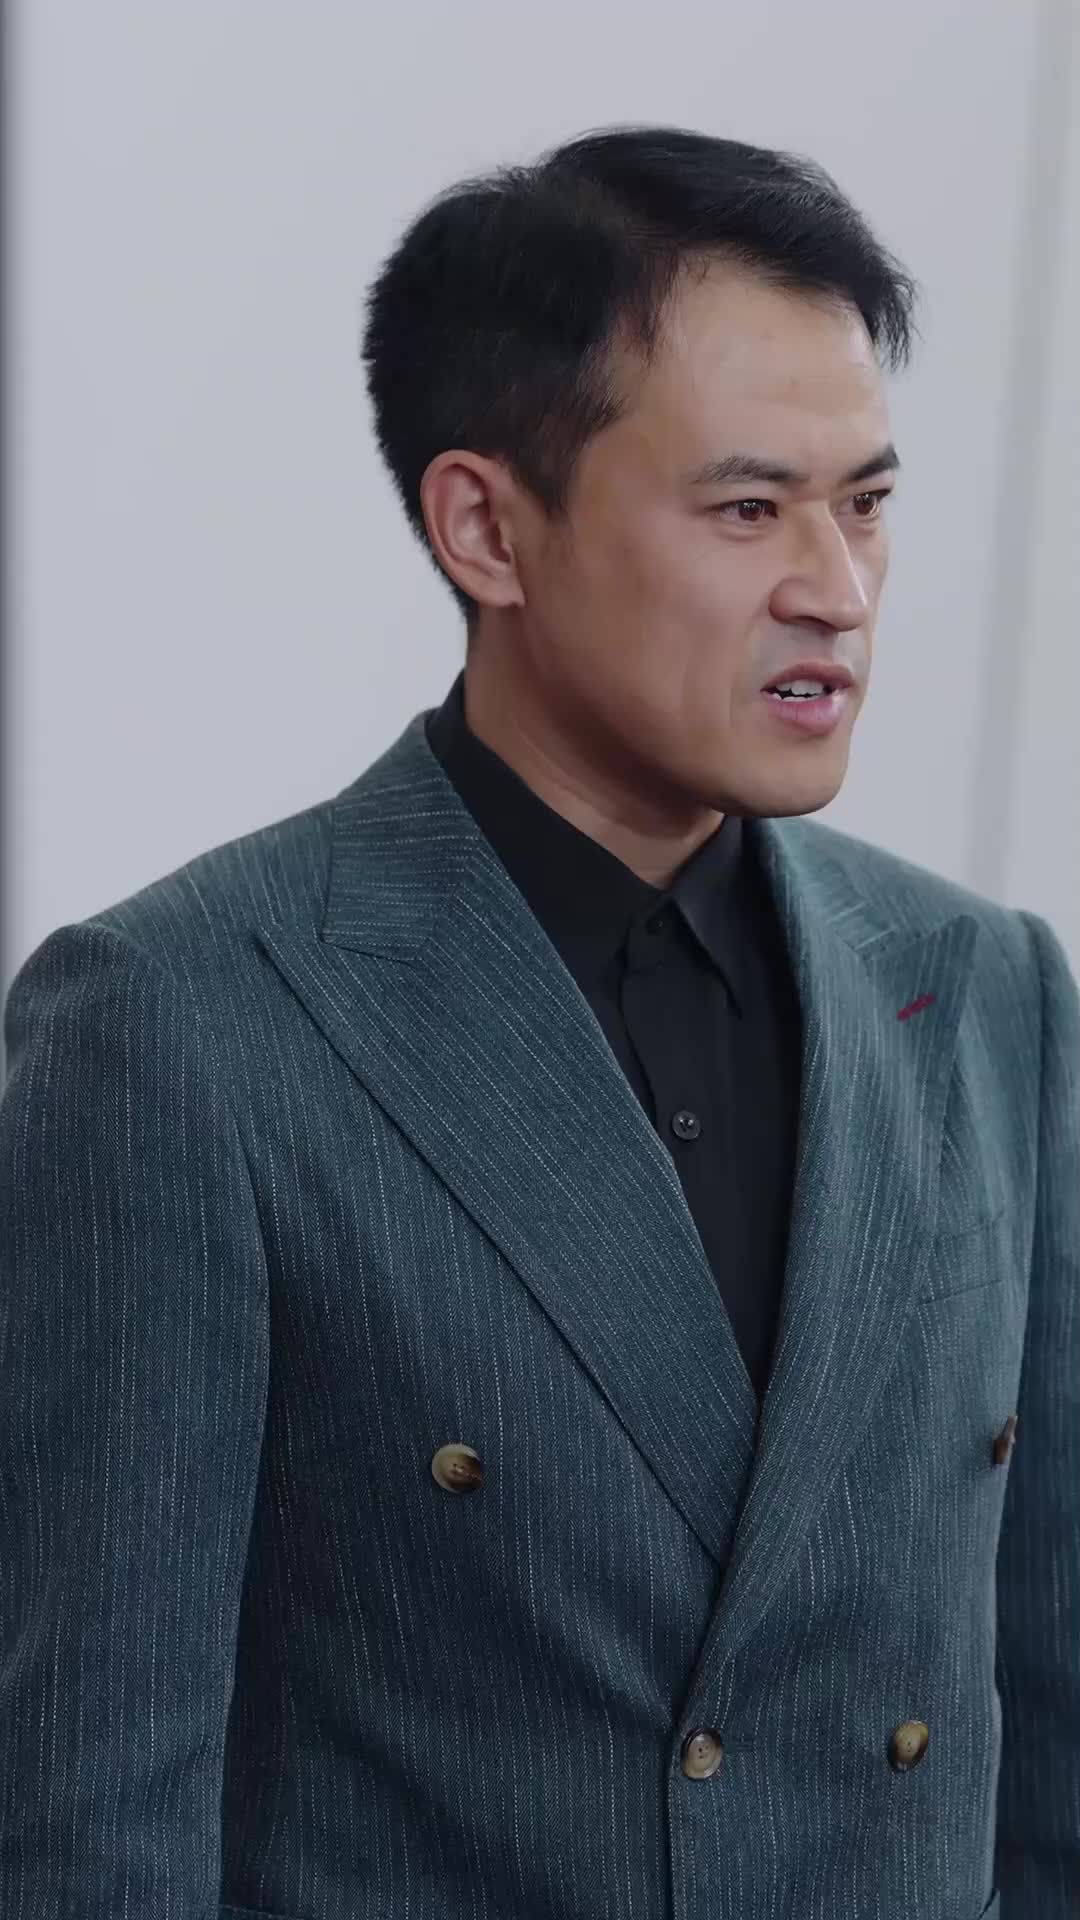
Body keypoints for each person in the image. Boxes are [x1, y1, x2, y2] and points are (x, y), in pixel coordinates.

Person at [1, 123, 1076, 1920]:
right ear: (487, 527)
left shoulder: (986, 993)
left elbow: (1049, 1727)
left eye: (867, 502)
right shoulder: (183, 1025)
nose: (837, 587)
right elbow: (87, 1823)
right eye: (749, 509)